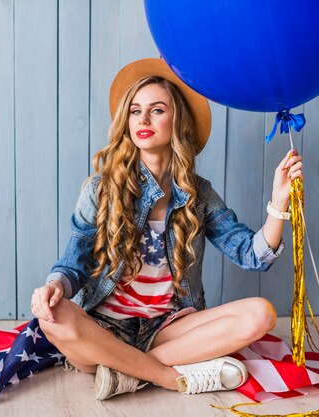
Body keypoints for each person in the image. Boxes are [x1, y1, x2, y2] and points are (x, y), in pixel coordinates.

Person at [30, 58, 303, 400]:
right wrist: (54, 287)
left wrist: (278, 202)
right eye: (135, 111)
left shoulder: (198, 194)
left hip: (170, 329)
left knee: (261, 313)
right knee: (53, 316)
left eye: (157, 110)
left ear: (178, 122)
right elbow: (74, 264)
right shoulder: (99, 189)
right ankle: (166, 375)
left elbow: (253, 255)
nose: (143, 119)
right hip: (103, 329)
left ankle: (124, 371)